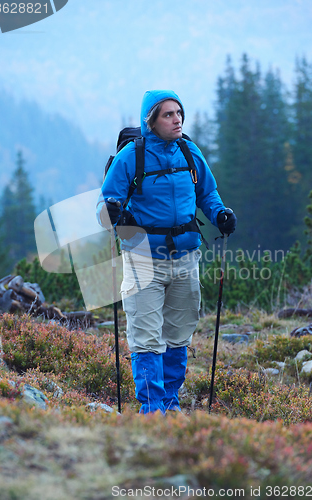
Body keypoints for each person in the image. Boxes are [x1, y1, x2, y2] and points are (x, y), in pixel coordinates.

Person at [96, 90, 236, 415]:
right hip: (142, 257)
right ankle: (152, 411)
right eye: (168, 115)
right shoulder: (131, 156)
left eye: (179, 113)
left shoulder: (189, 151)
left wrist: (220, 215)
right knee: (146, 337)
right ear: (151, 122)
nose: (177, 120)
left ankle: (170, 406)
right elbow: (105, 203)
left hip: (186, 258)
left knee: (178, 334)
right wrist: (111, 212)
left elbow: (208, 193)